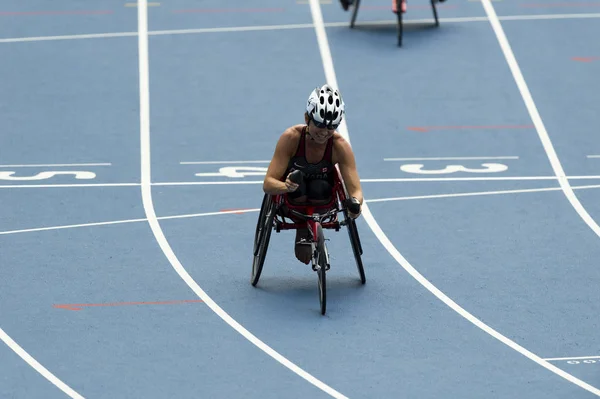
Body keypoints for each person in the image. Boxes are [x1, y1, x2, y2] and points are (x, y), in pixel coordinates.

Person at [262, 84, 363, 265]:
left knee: (319, 186)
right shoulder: (291, 138)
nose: (324, 133)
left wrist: (355, 204)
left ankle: (309, 227)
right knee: (298, 178)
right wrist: (285, 186)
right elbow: (268, 184)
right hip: (292, 198)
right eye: (319, 125)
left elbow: (356, 190)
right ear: (307, 118)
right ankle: (302, 228)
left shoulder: (340, 146)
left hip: (323, 198)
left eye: (331, 127)